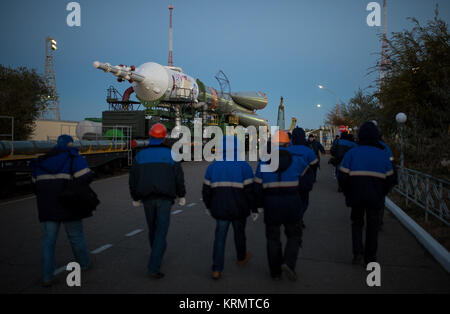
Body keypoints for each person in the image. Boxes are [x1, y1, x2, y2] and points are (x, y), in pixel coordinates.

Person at [31, 135, 93, 287]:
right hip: (69, 205)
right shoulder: (74, 157)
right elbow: (86, 178)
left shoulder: (41, 160)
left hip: (48, 206)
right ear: (71, 144)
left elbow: (34, 185)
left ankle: (47, 276)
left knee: (48, 241)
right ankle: (84, 264)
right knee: (75, 235)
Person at [129, 123, 186, 279]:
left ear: (150, 135)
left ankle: (156, 254)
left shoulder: (140, 155)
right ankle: (154, 266)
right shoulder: (171, 155)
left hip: (147, 199)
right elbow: (178, 178)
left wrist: (135, 197)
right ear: (163, 137)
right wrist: (182, 195)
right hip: (165, 199)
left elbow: (133, 179)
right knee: (161, 232)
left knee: (153, 230)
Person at [255, 130, 313, 281]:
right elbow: (307, 183)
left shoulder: (265, 161)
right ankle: (288, 262)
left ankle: (275, 272)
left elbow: (257, 186)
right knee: (294, 235)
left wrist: (258, 205)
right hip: (292, 202)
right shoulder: (298, 161)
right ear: (288, 143)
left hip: (271, 203)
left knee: (273, 238)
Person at [338, 122, 396, 266]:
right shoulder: (383, 154)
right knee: (373, 226)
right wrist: (383, 192)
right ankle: (370, 257)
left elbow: (342, 176)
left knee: (357, 223)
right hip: (376, 197)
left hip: (356, 195)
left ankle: (357, 253)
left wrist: (346, 192)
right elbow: (391, 178)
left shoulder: (352, 153)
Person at [202, 136, 256, 280]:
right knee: (240, 234)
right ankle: (241, 257)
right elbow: (250, 191)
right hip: (240, 209)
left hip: (220, 209)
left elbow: (206, 191)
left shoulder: (213, 166)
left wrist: (208, 206)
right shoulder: (244, 166)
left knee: (219, 238)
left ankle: (217, 269)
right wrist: (254, 207)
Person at [288, 127, 317, 228]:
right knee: (304, 201)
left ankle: (294, 218)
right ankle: (299, 218)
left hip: (290, 179)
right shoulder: (308, 150)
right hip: (304, 180)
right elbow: (314, 165)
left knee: (292, 201)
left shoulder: (288, 149)